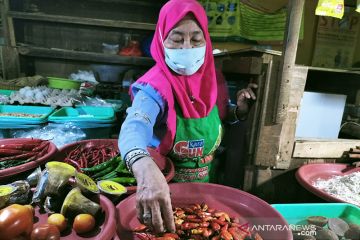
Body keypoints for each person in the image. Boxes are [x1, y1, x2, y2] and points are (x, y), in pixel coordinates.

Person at [118, 0, 257, 233]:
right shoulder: (154, 88)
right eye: (176, 38)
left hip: (206, 187)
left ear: (206, 40)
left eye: (195, 39)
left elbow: (220, 116)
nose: (186, 47)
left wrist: (238, 111)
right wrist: (143, 168)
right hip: (162, 192)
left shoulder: (213, 80)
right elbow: (134, 126)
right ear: (162, 39)